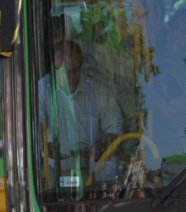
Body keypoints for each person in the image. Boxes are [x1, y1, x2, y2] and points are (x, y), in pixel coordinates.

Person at [38, 40, 124, 183]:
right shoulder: (43, 89)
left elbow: (114, 127)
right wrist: (44, 143)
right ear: (53, 68)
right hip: (53, 172)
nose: (68, 77)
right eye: (63, 72)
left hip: (92, 171)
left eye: (74, 71)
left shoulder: (99, 92)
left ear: (81, 64)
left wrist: (101, 146)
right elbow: (35, 122)